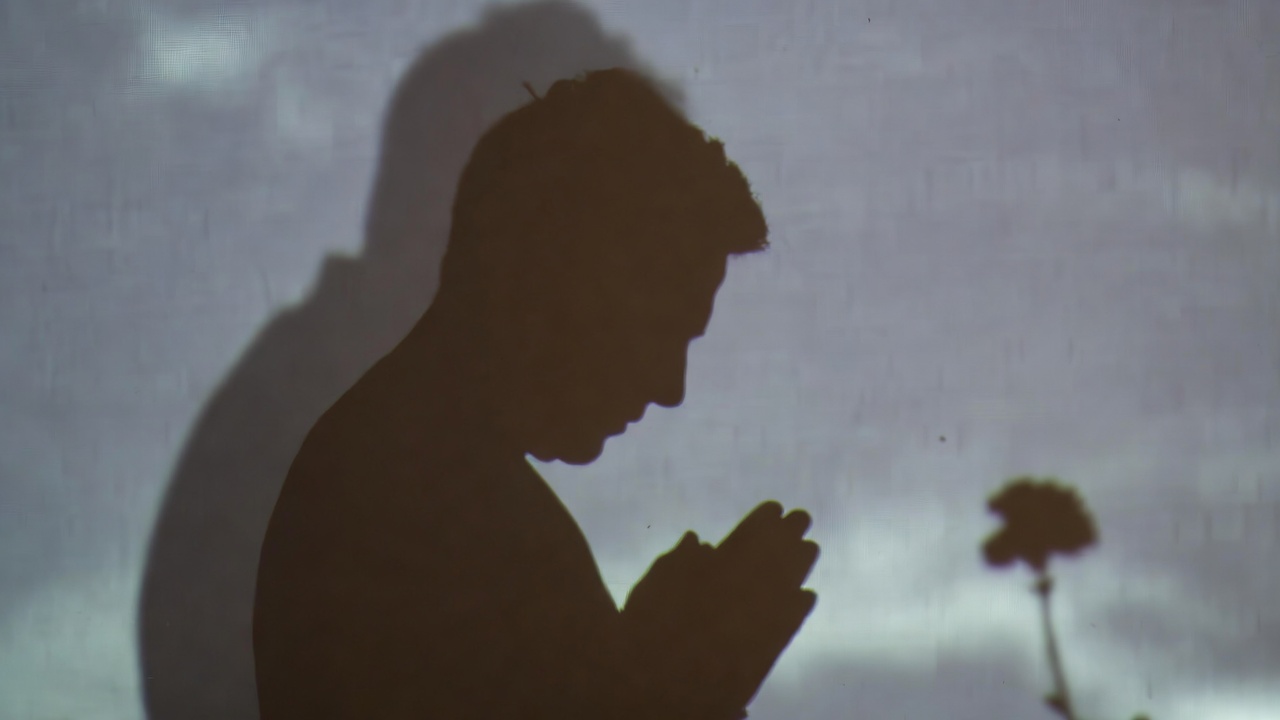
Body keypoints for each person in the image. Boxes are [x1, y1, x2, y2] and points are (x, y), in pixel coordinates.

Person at [252, 67, 819, 720]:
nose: (670, 388)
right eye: (657, 331)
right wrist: (666, 686)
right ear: (545, 272)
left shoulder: (413, 485)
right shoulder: (431, 516)